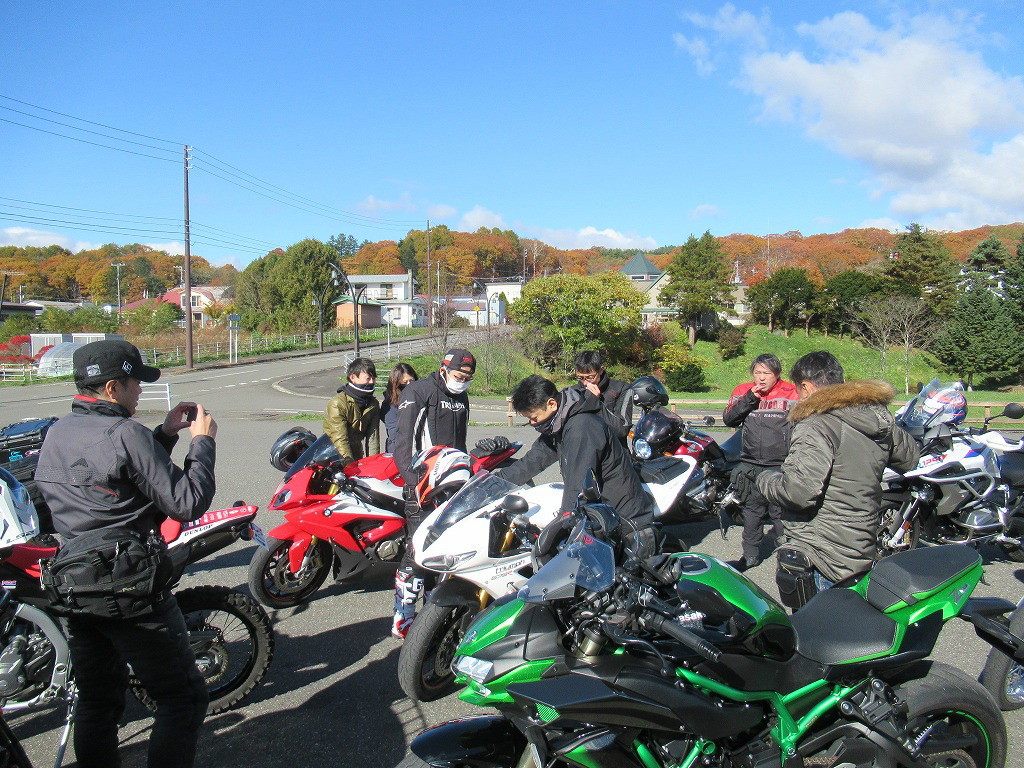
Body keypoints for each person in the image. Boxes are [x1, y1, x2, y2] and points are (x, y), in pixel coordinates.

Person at [34, 340, 217, 768]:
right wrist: (201, 443)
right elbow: (187, 501)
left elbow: (113, 480)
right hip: (129, 585)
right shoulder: (124, 433)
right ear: (112, 388)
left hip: (75, 584)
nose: (140, 391)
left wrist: (164, 435)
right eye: (135, 383)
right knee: (183, 698)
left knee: (98, 700)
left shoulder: (59, 431)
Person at [753, 351, 919, 610]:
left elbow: (799, 493)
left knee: (816, 629)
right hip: (860, 544)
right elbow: (910, 458)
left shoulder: (816, 425)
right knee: (848, 623)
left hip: (821, 552)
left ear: (806, 387)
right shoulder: (872, 416)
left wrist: (765, 479)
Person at [496, 374, 655, 556]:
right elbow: (532, 461)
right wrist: (494, 483)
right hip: (602, 515)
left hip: (626, 522)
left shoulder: (582, 426)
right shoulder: (558, 423)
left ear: (551, 404)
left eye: (534, 418)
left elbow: (576, 485)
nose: (533, 424)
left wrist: (558, 527)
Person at [391, 348, 475, 639]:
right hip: (421, 485)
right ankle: (403, 616)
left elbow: (461, 442)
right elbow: (402, 443)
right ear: (443, 369)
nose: (462, 381)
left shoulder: (462, 397)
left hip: (452, 485)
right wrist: (414, 481)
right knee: (418, 551)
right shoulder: (419, 391)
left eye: (467, 378)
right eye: (458, 375)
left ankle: (431, 618)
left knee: (444, 553)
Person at [721, 354, 798, 572]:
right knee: (752, 513)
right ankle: (750, 556)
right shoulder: (743, 390)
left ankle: (790, 556)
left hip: (780, 465)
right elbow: (729, 419)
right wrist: (749, 399)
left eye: (767, 373)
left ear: (777, 374)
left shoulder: (791, 392)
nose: (761, 378)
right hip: (751, 463)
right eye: (757, 373)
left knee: (781, 514)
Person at [323, 357, 380, 463]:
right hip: (333, 457)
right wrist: (349, 464)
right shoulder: (337, 404)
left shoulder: (373, 404)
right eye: (368, 378)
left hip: (357, 454)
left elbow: (373, 438)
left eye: (374, 378)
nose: (372, 382)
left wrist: (373, 463)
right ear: (353, 377)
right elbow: (340, 439)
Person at [571, 350, 632, 441]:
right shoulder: (572, 392)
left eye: (590, 377)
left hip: (611, 447)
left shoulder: (621, 388)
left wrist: (596, 403)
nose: (585, 383)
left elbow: (622, 430)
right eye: (580, 378)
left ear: (601, 370)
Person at [380, 362, 418, 453]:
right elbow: (394, 434)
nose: (409, 385)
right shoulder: (389, 405)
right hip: (399, 451)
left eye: (411, 381)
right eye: (405, 383)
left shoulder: (420, 398)